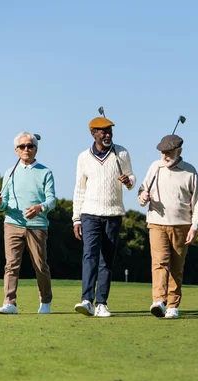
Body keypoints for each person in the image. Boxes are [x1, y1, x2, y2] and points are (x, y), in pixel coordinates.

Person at [72, 116, 136, 317]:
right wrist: (76, 218)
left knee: (107, 259)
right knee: (89, 256)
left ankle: (102, 303)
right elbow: (79, 189)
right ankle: (86, 300)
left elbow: (132, 179)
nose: (107, 134)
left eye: (109, 131)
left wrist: (128, 181)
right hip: (89, 213)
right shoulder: (83, 157)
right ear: (93, 134)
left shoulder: (121, 153)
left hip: (113, 213)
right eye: (103, 131)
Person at [138, 134, 198, 319]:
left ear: (179, 152)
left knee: (176, 266)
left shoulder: (190, 172)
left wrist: (194, 227)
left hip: (182, 225)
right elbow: (142, 191)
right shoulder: (155, 167)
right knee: (160, 262)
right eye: (162, 153)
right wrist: (142, 197)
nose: (164, 157)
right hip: (156, 223)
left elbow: (197, 201)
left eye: (168, 153)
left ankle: (173, 305)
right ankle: (158, 300)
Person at [0, 131, 56, 315]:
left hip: (37, 225)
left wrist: (40, 208)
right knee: (11, 265)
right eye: (22, 146)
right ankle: (9, 303)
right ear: (16, 150)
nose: (26, 149)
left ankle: (45, 301)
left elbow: (52, 200)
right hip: (12, 223)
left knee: (40, 265)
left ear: (36, 149)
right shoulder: (10, 172)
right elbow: (5, 202)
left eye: (30, 146)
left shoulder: (46, 172)